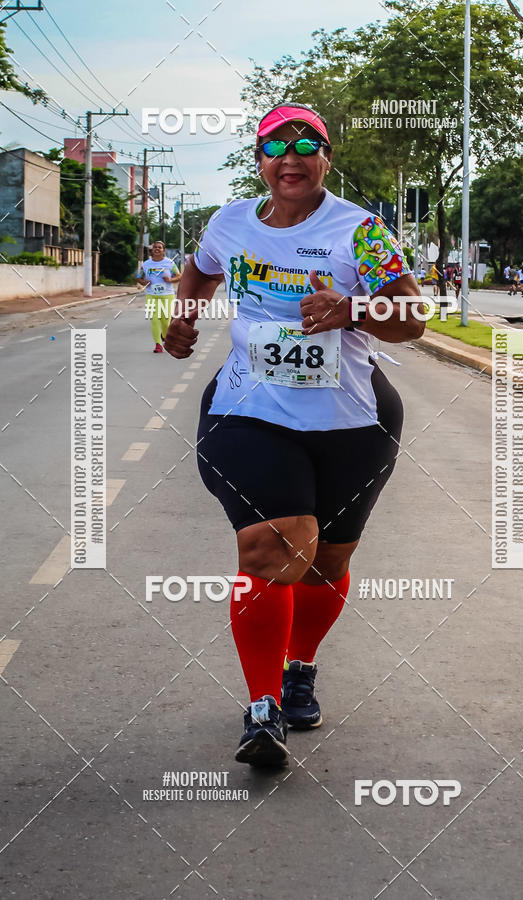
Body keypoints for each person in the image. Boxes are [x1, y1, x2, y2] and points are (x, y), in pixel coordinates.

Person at [165, 102, 424, 768]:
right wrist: (185, 318)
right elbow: (201, 269)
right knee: (272, 547)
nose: (292, 158)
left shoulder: (361, 231)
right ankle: (263, 707)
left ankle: (299, 666)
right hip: (249, 410)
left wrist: (354, 308)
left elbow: (412, 319)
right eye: (277, 146)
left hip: (351, 422)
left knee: (326, 563)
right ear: (259, 160)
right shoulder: (230, 222)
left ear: (326, 159)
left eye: (308, 146)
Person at [137, 241, 181, 352]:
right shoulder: (146, 264)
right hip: (151, 295)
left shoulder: (170, 263)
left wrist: (170, 280)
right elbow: (139, 277)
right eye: (155, 247)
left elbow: (179, 276)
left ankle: (164, 336)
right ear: (152, 250)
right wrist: (144, 282)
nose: (157, 249)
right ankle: (158, 344)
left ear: (163, 250)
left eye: (159, 247)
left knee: (166, 320)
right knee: (154, 319)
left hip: (167, 295)